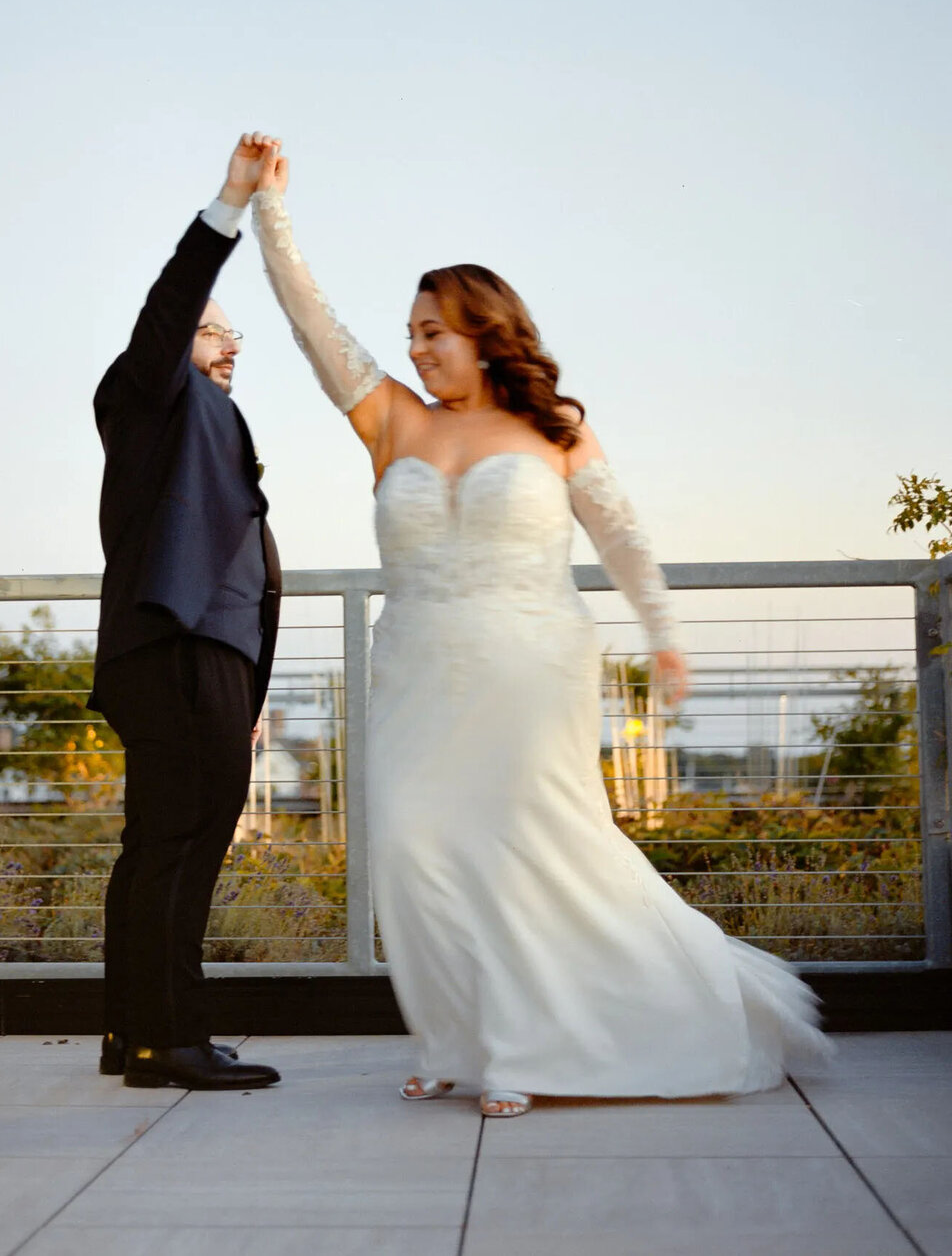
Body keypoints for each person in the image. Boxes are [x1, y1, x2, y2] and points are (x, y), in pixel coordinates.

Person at [248, 136, 828, 1118]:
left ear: (487, 331)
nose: (421, 345)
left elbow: (625, 535)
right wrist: (270, 211)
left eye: (437, 329)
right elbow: (311, 323)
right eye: (412, 330)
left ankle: (521, 1046)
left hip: (534, 668)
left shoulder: (554, 424)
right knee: (417, 846)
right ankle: (450, 1035)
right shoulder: (391, 417)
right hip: (419, 667)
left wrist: (665, 632)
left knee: (527, 847)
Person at [89, 134, 285, 1092]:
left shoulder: (196, 422)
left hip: (188, 653)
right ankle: (172, 1037)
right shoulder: (148, 389)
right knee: (190, 835)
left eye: (232, 333)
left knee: (156, 838)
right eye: (215, 330)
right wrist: (229, 203)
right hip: (178, 644)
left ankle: (131, 1030)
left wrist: (248, 686)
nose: (230, 341)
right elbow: (169, 305)